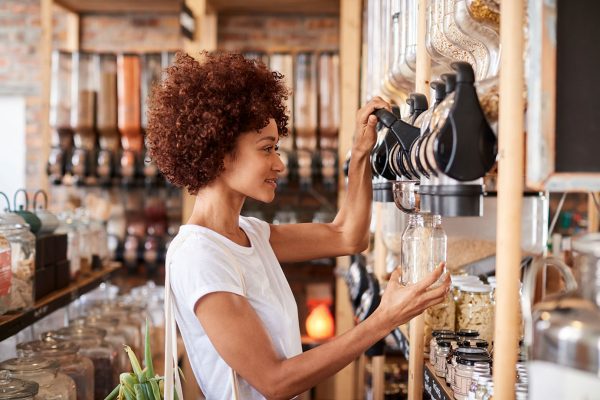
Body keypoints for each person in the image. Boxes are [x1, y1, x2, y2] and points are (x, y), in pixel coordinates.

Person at [146, 51, 450, 400]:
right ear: (219, 153)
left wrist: (360, 152)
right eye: (267, 149)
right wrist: (384, 319)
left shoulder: (250, 235)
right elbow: (275, 381)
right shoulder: (201, 257)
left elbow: (347, 236)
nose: (279, 164)